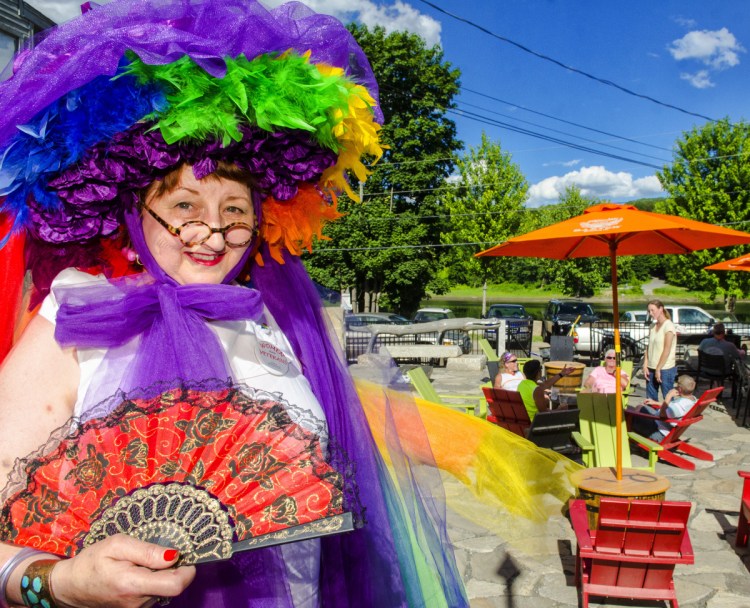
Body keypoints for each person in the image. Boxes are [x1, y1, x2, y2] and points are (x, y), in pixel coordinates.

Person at [0, 2, 581, 607]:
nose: (213, 233)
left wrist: (521, 462)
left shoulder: (269, 319)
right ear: (134, 213)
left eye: (234, 211)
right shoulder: (74, 321)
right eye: (183, 208)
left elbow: (363, 424)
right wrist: (58, 583)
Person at [629, 375, 697, 442]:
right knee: (642, 407)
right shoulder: (692, 400)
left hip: (659, 432)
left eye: (677, 386)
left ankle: (629, 433)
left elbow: (662, 415)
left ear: (679, 389)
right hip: (664, 426)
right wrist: (655, 403)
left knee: (630, 413)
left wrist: (668, 396)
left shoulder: (678, 407)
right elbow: (671, 407)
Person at [643, 299, 677, 401]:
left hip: (665, 368)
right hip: (651, 367)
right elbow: (648, 346)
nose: (651, 313)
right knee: (651, 399)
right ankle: (652, 416)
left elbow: (667, 349)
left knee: (668, 399)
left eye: (652, 310)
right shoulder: (652, 326)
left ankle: (669, 417)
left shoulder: (669, 326)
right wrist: (645, 364)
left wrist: (658, 368)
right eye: (649, 311)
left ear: (661, 309)